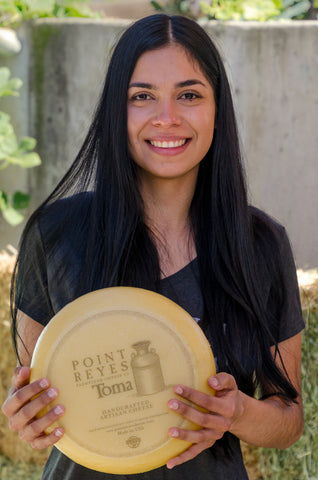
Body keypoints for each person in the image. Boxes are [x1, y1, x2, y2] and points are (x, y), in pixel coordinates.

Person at [2, 13, 304, 480]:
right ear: (115, 113)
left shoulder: (261, 244)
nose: (167, 117)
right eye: (142, 96)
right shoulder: (56, 235)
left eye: (189, 95)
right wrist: (26, 415)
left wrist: (237, 413)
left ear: (217, 110)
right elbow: (35, 393)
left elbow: (288, 420)